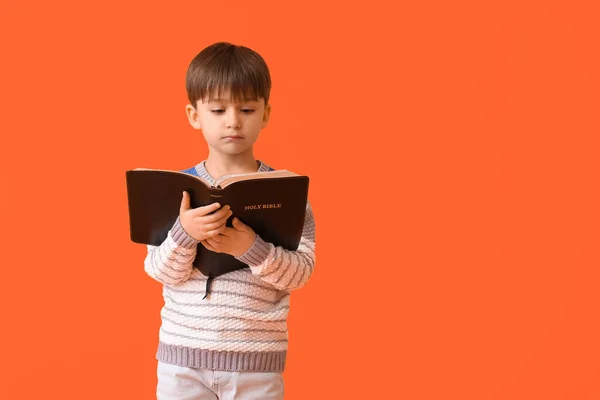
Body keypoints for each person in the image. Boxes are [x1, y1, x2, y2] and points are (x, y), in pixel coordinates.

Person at [143, 41, 316, 399]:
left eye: (247, 109)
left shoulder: (287, 192)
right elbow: (160, 271)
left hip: (256, 364)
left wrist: (252, 249)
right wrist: (184, 234)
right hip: (182, 363)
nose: (233, 121)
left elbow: (300, 274)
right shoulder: (173, 193)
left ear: (266, 113)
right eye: (218, 110)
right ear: (195, 115)